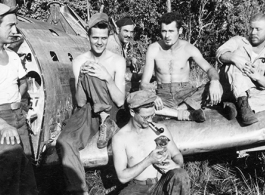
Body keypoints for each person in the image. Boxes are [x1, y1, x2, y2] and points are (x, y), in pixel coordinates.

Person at [56, 12, 126, 195]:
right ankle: (80, 191)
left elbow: (120, 100)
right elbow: (80, 101)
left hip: (112, 108)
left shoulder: (118, 61)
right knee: (64, 141)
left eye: (104, 38)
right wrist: (82, 79)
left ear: (109, 37)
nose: (100, 42)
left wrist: (107, 78)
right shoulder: (79, 61)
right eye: (95, 37)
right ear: (88, 36)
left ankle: (106, 121)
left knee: (95, 72)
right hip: (88, 110)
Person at [140, 12, 223, 122]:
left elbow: (209, 69)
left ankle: (171, 112)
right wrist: (152, 96)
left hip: (186, 94)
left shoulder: (188, 48)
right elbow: (144, 83)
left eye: (171, 31)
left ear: (180, 31)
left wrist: (215, 81)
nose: (167, 36)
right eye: (164, 31)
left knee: (218, 86)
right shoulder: (154, 49)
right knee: (137, 100)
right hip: (162, 95)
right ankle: (186, 113)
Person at [112, 90, 190, 195]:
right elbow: (122, 177)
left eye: (152, 115)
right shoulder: (120, 138)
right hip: (137, 188)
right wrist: (149, 160)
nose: (149, 120)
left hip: (162, 183)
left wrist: (176, 165)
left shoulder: (160, 129)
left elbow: (177, 154)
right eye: (145, 117)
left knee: (180, 174)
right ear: (132, 112)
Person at [0, 3, 38, 195]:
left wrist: (17, 99)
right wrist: (3, 125)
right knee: (10, 174)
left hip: (18, 117)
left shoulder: (13, 56)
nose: (14, 31)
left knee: (27, 175)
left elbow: (22, 82)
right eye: (9, 26)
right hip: (2, 119)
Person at [216, 13, 265, 126]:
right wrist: (234, 58)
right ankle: (241, 101)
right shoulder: (239, 41)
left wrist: (258, 77)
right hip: (227, 87)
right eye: (251, 28)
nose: (253, 32)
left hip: (252, 92)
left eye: (258, 29)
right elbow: (220, 53)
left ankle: (236, 105)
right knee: (234, 62)